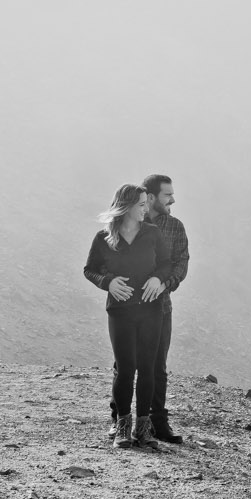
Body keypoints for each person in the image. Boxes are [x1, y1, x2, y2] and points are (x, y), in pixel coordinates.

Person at [82, 183, 173, 450]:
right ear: (127, 206)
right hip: (120, 311)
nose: (146, 209)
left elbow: (167, 264)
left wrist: (159, 278)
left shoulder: (152, 234)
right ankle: (122, 427)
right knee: (125, 368)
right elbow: (90, 270)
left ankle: (142, 429)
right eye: (142, 205)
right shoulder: (104, 238)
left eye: (146, 203)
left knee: (147, 368)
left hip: (150, 309)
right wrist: (107, 282)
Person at [139, 172, 190, 443]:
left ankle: (158, 423)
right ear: (150, 197)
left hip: (162, 307)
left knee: (158, 367)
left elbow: (181, 262)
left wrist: (165, 283)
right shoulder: (131, 223)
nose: (173, 199)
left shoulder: (175, 227)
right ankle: (122, 420)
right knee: (126, 365)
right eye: (167, 195)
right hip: (131, 308)